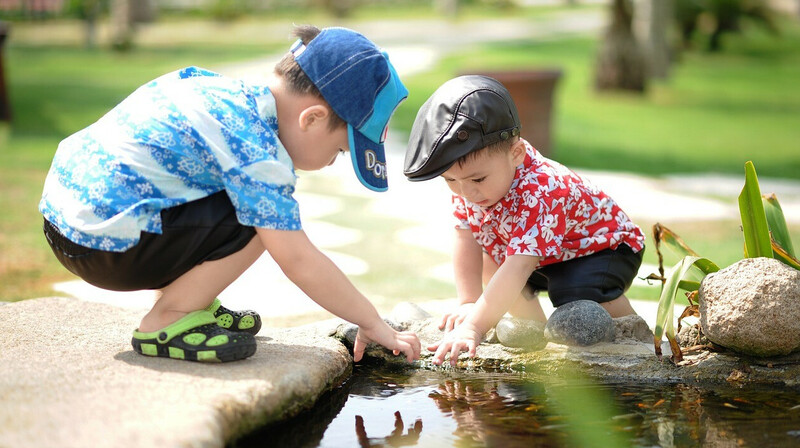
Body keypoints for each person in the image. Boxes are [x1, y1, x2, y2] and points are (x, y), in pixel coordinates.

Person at [39, 25, 421, 364]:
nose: (330, 163)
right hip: (103, 246)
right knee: (264, 221)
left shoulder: (223, 94)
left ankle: (191, 301)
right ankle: (169, 318)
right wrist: (371, 322)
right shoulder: (257, 150)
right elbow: (298, 260)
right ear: (313, 118)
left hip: (67, 222)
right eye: (339, 151)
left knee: (244, 201)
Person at [403, 75, 645, 366]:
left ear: (516, 153)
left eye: (478, 179)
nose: (466, 192)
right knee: (491, 259)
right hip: (547, 255)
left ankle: (635, 336)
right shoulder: (470, 186)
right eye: (450, 180)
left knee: (573, 293)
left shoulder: (542, 190)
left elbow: (519, 266)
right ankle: (534, 335)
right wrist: (469, 302)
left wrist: (474, 327)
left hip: (604, 249)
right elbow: (465, 237)